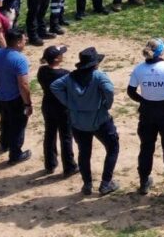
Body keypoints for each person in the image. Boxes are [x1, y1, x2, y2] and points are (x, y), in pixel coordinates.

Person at [51, 47, 120, 196]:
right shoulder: (99, 76)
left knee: (84, 153)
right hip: (100, 120)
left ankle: (87, 184)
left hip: (78, 122)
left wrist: (69, 103)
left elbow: (54, 86)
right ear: (95, 64)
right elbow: (109, 90)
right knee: (113, 147)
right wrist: (107, 105)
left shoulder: (70, 77)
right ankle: (106, 183)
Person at [127, 38, 164, 197]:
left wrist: (144, 101)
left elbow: (131, 91)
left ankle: (144, 182)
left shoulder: (139, 69)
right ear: (161, 51)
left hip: (147, 113)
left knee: (146, 147)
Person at [0, 28, 33, 165]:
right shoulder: (20, 59)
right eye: (24, 39)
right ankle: (15, 154)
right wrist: (27, 103)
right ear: (19, 42)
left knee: (5, 120)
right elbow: (24, 84)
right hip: (15, 98)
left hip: (1, 95)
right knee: (18, 125)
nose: (25, 40)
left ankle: (4, 143)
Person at [37, 45, 78, 177]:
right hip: (62, 108)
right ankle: (69, 166)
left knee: (49, 134)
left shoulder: (42, 71)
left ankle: (50, 163)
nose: (63, 55)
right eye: (61, 54)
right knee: (66, 136)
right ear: (56, 59)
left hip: (47, 105)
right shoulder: (65, 74)